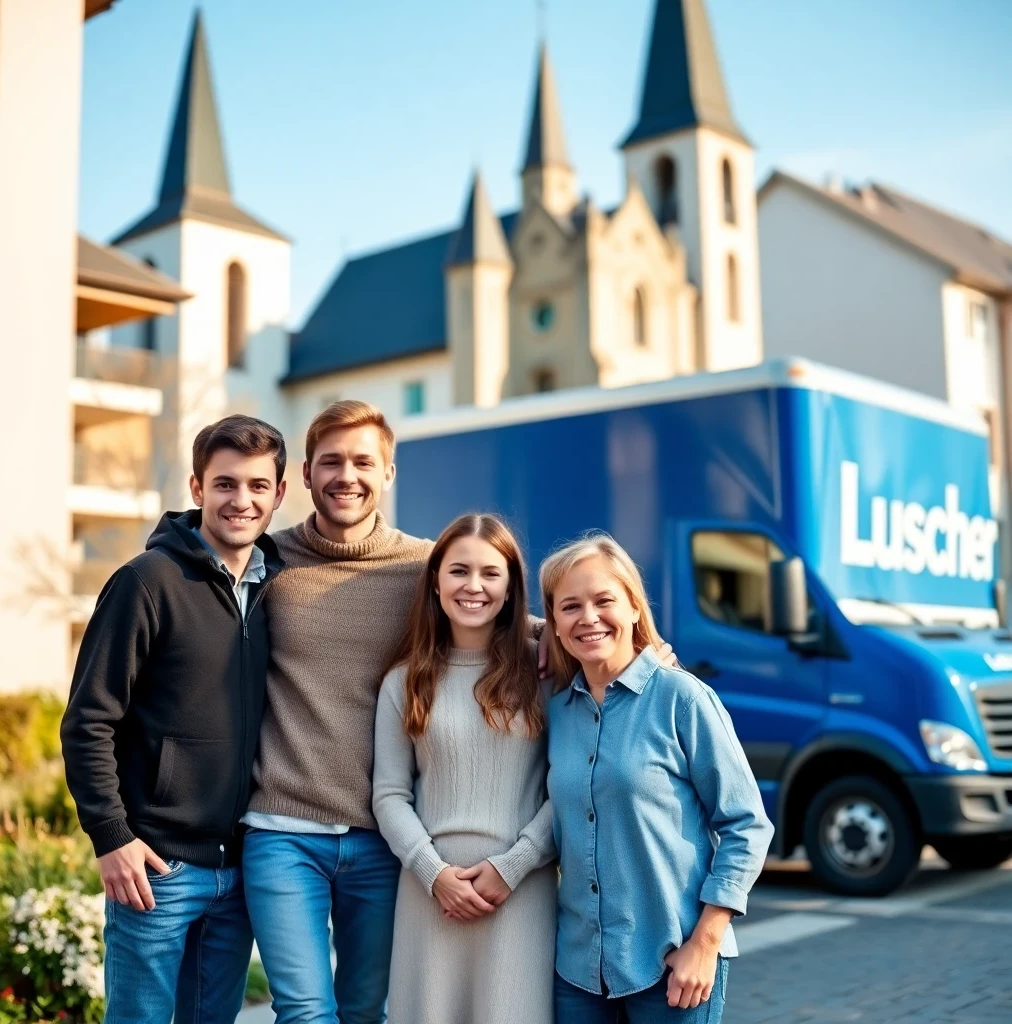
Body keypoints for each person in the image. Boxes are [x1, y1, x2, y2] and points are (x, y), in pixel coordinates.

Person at [241, 401, 548, 1024]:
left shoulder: (424, 564)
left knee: (365, 1010)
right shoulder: (266, 563)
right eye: (331, 462)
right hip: (284, 826)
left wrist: (627, 644)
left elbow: (498, 607)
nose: (346, 476)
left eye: (362, 462)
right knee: (303, 1010)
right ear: (304, 474)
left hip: (378, 841)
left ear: (388, 474)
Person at [60, 415, 288, 1024]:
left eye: (257, 486)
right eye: (225, 484)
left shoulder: (274, 591)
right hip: (157, 868)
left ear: (279, 495)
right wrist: (112, 837)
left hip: (237, 869)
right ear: (197, 488)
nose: (241, 500)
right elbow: (87, 721)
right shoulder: (146, 582)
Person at [540, 533, 773, 1024]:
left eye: (604, 600)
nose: (588, 617)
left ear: (633, 608)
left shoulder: (682, 699)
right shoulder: (557, 713)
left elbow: (747, 825)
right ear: (554, 623)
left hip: (673, 963)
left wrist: (706, 942)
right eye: (570, 606)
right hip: (578, 971)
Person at [373, 513, 557, 1024]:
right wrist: (434, 875)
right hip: (429, 896)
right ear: (435, 582)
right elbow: (389, 796)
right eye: (458, 571)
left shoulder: (544, 674)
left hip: (521, 894)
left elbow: (568, 788)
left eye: (490, 573)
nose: (473, 586)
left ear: (511, 585)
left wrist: (514, 865)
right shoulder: (405, 681)